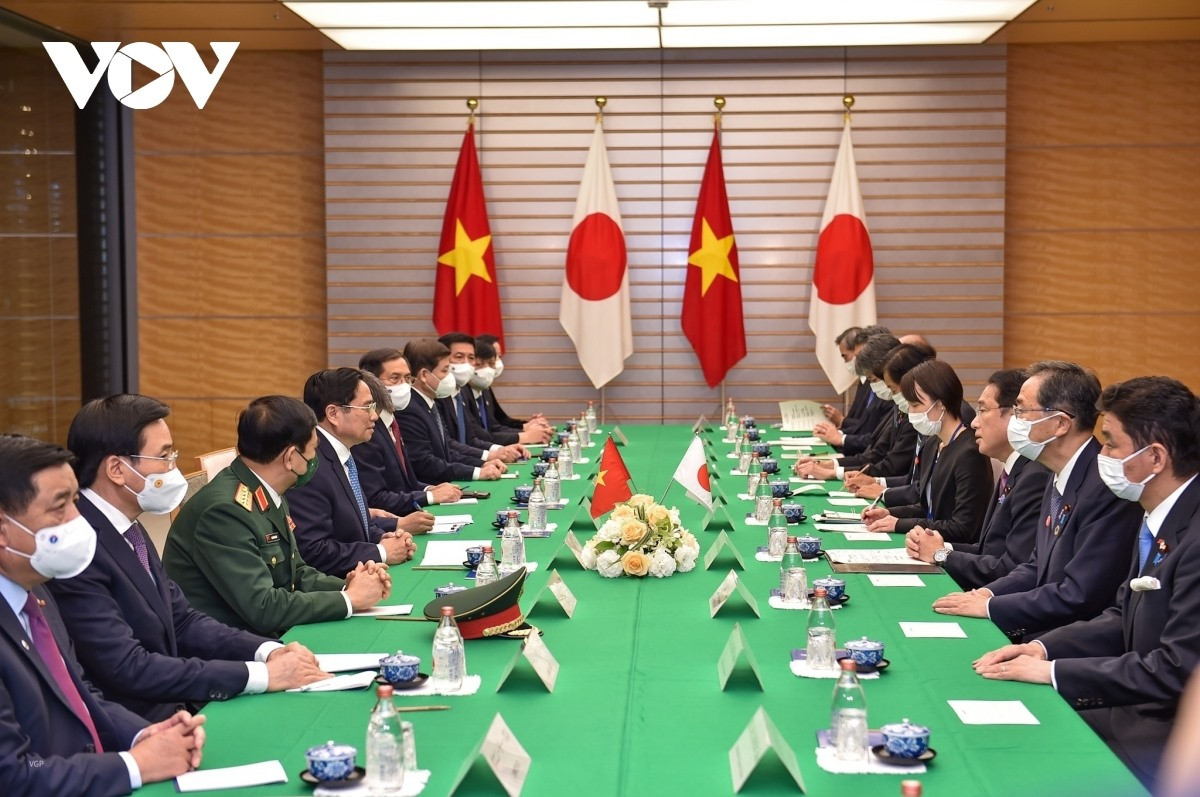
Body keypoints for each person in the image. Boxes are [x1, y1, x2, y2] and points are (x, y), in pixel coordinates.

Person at [971, 376, 1200, 790]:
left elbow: (1174, 669)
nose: (1102, 455)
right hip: (1127, 708)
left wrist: (1054, 672)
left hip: (1162, 736)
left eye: (1111, 443)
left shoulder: (1193, 535)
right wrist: (1041, 648)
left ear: (1156, 458)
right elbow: (1119, 615)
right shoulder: (1157, 513)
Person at [47, 395, 328, 722]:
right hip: (137, 725)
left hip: (175, 702)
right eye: (165, 455)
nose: (173, 468)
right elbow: (128, 667)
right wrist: (260, 675)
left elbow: (182, 619)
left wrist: (267, 651)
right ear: (116, 469)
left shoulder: (128, 528)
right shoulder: (78, 547)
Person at [0, 435, 205, 796]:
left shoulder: (36, 590)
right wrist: (135, 764)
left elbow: (79, 694)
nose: (77, 520)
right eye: (59, 506)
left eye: (76, 501)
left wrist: (144, 733)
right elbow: (15, 772)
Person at [931, 361, 1143, 640]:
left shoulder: (1105, 487)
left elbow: (1078, 595)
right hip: (1039, 625)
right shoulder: (1057, 472)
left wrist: (991, 606)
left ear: (1059, 423)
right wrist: (987, 593)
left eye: (1021, 410)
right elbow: (1035, 566)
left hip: (1069, 640)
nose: (1014, 420)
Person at [165, 396, 392, 638]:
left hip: (268, 633)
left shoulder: (266, 489)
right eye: (313, 449)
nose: (315, 458)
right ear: (290, 457)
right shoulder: (224, 512)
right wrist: (347, 599)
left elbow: (296, 573)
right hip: (233, 648)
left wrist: (350, 584)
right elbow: (263, 607)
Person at [905, 369, 1052, 589]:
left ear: (1015, 416)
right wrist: (937, 547)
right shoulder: (1014, 471)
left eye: (982, 410)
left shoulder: (1034, 477)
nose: (974, 423)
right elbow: (987, 550)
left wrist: (942, 554)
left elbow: (1010, 567)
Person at [287, 368, 418, 577]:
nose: (374, 415)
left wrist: (383, 538)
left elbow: (350, 524)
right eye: (367, 407)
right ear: (333, 414)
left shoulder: (341, 452)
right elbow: (312, 551)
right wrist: (381, 552)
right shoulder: (309, 465)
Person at [859, 359, 994, 542]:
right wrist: (888, 514)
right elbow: (925, 506)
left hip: (949, 551)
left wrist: (899, 524)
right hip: (923, 541)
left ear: (942, 403)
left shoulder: (969, 453)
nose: (911, 412)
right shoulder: (932, 443)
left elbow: (963, 528)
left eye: (916, 405)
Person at [794, 336, 923, 482]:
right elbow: (876, 453)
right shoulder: (899, 404)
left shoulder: (914, 412)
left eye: (874, 380)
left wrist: (833, 472)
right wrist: (828, 465)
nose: (876, 386)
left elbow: (892, 467)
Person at [356, 349, 462, 515]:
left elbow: (405, 483)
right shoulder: (367, 430)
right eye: (395, 378)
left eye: (407, 378)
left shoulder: (392, 422)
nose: (404, 386)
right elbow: (375, 498)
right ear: (371, 383)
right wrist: (429, 496)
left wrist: (429, 488)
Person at [395, 338, 509, 483]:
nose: (450, 376)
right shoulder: (409, 409)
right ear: (424, 375)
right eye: (445, 370)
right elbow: (424, 462)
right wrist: (477, 472)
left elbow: (447, 450)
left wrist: (482, 464)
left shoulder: (429, 403)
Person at [436, 332, 528, 458]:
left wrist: (500, 450)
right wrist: (487, 460)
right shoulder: (439, 396)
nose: (466, 363)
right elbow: (449, 446)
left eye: (471, 358)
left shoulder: (459, 394)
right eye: (459, 357)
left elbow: (471, 439)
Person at [813, 326, 894, 454]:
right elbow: (865, 427)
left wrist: (841, 434)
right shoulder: (870, 382)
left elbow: (878, 442)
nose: (859, 361)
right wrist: (837, 433)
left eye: (860, 355)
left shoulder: (889, 391)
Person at [468, 337, 553, 444]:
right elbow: (479, 435)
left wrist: (527, 428)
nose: (488, 369)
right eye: (479, 364)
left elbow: (496, 425)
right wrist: (524, 435)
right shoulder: (464, 394)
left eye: (492, 363)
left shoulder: (484, 388)